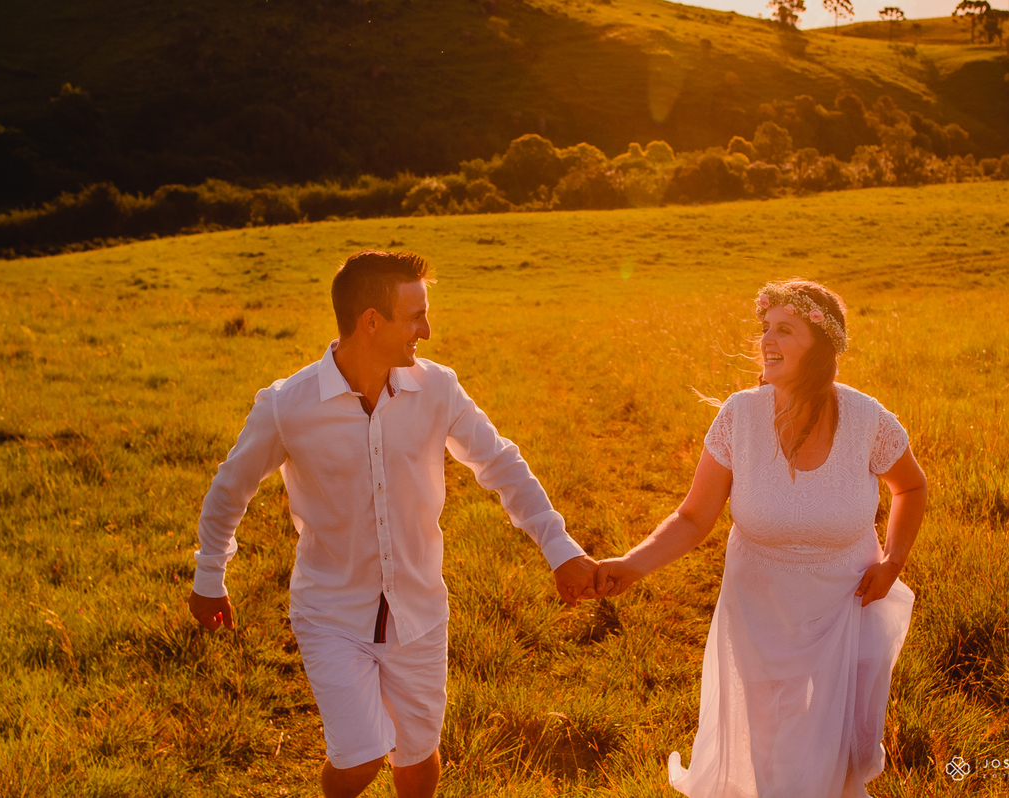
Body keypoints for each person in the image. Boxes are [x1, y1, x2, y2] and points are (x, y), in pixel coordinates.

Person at [186, 250, 599, 798]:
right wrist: (210, 576)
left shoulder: (438, 388)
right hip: (331, 614)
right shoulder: (288, 406)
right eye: (415, 316)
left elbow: (500, 463)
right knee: (359, 762)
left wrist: (560, 547)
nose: (426, 331)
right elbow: (229, 490)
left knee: (417, 762)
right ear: (371, 321)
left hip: (421, 613)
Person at [595, 278, 928, 798]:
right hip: (760, 611)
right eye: (765, 329)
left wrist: (892, 563)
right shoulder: (739, 416)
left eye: (785, 330)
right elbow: (692, 517)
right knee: (770, 750)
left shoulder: (866, 418)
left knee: (837, 754)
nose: (767, 341)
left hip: (846, 604)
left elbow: (911, 486)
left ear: (820, 345)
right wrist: (632, 564)